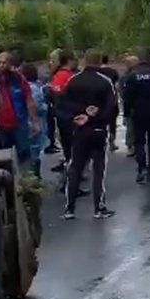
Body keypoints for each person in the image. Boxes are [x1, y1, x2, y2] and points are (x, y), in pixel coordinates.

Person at [57, 49, 116, 220]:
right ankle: (99, 208)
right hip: (98, 130)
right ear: (99, 62)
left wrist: (77, 116)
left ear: (84, 61)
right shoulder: (105, 82)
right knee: (98, 170)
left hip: (79, 130)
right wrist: (97, 118)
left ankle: (69, 208)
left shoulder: (73, 81)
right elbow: (111, 107)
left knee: (75, 168)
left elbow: (61, 105)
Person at [123, 48, 150, 184]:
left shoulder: (133, 75)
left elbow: (127, 97)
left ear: (139, 59)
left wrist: (126, 113)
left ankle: (142, 168)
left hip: (138, 113)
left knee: (139, 142)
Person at [0, 51, 38, 161]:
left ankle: (27, 175)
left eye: (4, 62)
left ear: (10, 64)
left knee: (23, 151)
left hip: (19, 122)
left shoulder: (18, 79)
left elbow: (29, 100)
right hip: (0, 124)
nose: (2, 65)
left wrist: (34, 121)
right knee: (5, 155)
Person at [49, 50, 76, 168]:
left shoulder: (57, 75)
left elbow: (53, 93)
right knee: (72, 142)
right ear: (70, 61)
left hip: (59, 113)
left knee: (65, 141)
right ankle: (73, 165)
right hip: (69, 113)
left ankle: (67, 160)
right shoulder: (69, 76)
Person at [21, 63, 47, 177]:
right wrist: (46, 107)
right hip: (35, 121)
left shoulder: (24, 87)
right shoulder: (34, 88)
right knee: (35, 151)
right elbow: (36, 106)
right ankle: (34, 177)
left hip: (25, 121)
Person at [99, 54, 120, 151]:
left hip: (99, 99)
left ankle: (100, 141)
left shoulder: (97, 72)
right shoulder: (113, 72)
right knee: (112, 121)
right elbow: (116, 86)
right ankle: (112, 140)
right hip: (111, 99)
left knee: (99, 121)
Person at [120, 54, 139, 158]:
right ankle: (131, 145)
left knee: (132, 126)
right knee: (131, 126)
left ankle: (133, 146)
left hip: (133, 104)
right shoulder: (126, 76)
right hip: (132, 105)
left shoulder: (128, 76)